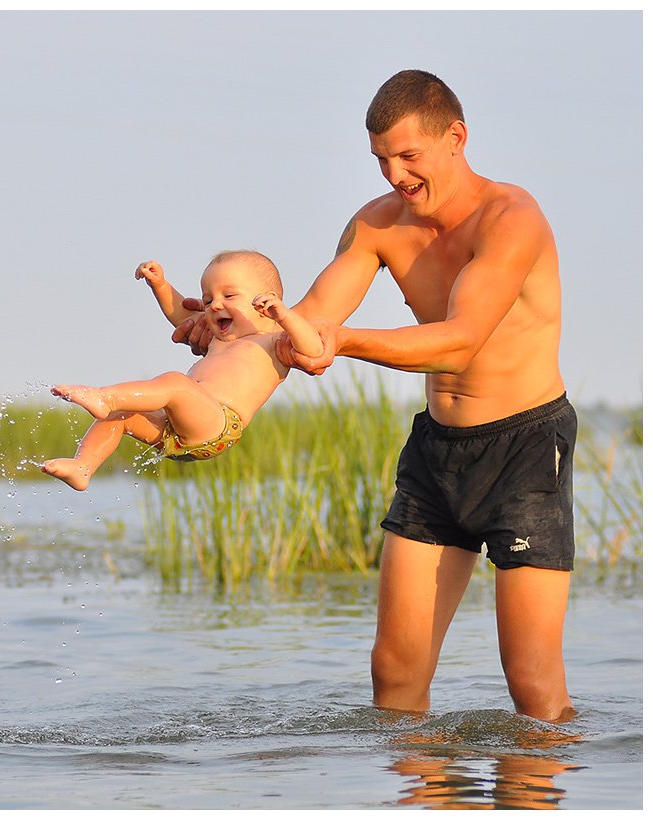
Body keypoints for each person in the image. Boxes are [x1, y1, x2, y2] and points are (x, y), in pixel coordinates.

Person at [173, 70, 577, 723]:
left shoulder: (511, 220)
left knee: (530, 683)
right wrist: (228, 337)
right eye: (381, 159)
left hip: (525, 450)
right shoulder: (377, 225)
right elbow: (306, 326)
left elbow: (461, 341)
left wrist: (341, 339)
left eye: (408, 156)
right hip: (438, 452)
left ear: (456, 138)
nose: (394, 175)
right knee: (393, 673)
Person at [41, 250, 322, 491]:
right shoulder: (217, 338)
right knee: (121, 416)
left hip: (218, 424)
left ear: (266, 301)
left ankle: (107, 397)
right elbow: (180, 313)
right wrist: (159, 284)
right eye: (208, 300)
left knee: (175, 383)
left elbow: (312, 350)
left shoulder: (273, 340)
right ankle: (84, 466)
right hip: (173, 427)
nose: (215, 306)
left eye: (229, 295)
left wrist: (284, 315)